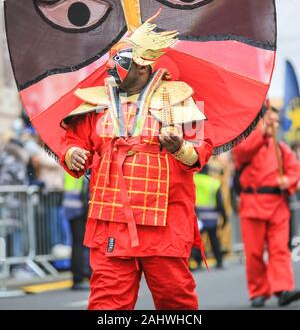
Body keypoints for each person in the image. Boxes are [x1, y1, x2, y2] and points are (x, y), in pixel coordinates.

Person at [59, 20, 213, 310]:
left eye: (121, 62)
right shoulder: (97, 102)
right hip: (111, 221)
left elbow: (201, 151)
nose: (111, 67)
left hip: (165, 222)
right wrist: (72, 154)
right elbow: (72, 140)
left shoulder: (178, 99)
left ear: (143, 67)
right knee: (106, 304)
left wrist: (179, 147)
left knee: (175, 302)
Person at [233, 106, 300, 308]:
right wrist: (261, 132)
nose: (274, 124)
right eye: (270, 120)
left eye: (276, 121)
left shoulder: (282, 150)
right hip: (252, 204)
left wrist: (287, 180)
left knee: (279, 249)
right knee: (253, 253)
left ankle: (282, 288)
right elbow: (241, 153)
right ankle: (258, 291)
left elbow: (295, 171)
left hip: (277, 205)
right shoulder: (246, 143)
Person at [190, 163, 227, 270]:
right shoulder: (214, 183)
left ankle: (196, 262)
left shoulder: (193, 180)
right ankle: (219, 261)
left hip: (198, 217)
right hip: (212, 217)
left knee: (196, 240)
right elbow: (220, 203)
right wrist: (224, 218)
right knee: (214, 239)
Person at [63, 172, 91, 291]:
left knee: (76, 244)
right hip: (79, 208)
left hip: (71, 207)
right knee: (79, 244)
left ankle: (80, 277)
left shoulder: (70, 162)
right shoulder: (80, 162)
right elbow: (85, 188)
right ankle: (78, 279)